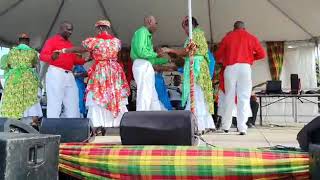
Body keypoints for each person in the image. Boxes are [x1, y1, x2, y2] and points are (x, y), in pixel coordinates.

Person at [60, 20, 130, 135]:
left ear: (100, 28)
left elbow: (81, 49)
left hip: (101, 70)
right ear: (108, 28)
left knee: (99, 95)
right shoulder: (116, 42)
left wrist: (65, 50)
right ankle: (116, 123)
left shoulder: (94, 41)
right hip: (114, 70)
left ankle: (98, 125)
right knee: (114, 95)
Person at [163, 17, 216, 134]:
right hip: (196, 66)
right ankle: (205, 124)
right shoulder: (195, 35)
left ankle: (199, 125)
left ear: (190, 26)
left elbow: (188, 51)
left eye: (185, 27)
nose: (184, 30)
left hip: (196, 69)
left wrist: (171, 50)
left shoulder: (196, 34)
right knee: (198, 95)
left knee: (196, 94)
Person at [215, 21, 266, 135]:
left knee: (229, 96)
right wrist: (250, 58)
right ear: (244, 28)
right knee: (244, 97)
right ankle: (242, 127)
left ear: (234, 28)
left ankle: (226, 126)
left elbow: (217, 55)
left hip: (230, 68)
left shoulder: (228, 37)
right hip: (245, 68)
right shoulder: (251, 37)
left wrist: (226, 58)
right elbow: (262, 54)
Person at [40, 21, 86, 118]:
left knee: (73, 101)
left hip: (69, 74)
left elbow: (74, 60)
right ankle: (52, 128)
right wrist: (52, 57)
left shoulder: (69, 44)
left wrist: (86, 60)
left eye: (71, 30)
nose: (70, 32)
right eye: (68, 29)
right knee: (55, 102)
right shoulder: (51, 41)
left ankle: (72, 126)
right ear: (61, 29)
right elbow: (42, 56)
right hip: (56, 72)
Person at [130, 15, 173, 111]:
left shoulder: (147, 35)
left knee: (152, 93)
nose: (157, 26)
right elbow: (141, 52)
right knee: (145, 92)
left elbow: (152, 60)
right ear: (150, 22)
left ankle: (157, 116)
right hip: (141, 64)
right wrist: (156, 53)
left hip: (146, 64)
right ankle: (142, 117)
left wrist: (168, 60)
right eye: (156, 23)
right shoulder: (142, 32)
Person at [0, 33, 43, 125]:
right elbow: (34, 64)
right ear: (28, 42)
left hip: (14, 77)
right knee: (30, 97)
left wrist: (15, 66)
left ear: (19, 41)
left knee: (13, 97)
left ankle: (13, 121)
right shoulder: (33, 52)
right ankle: (32, 121)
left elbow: (5, 64)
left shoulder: (12, 52)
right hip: (28, 78)